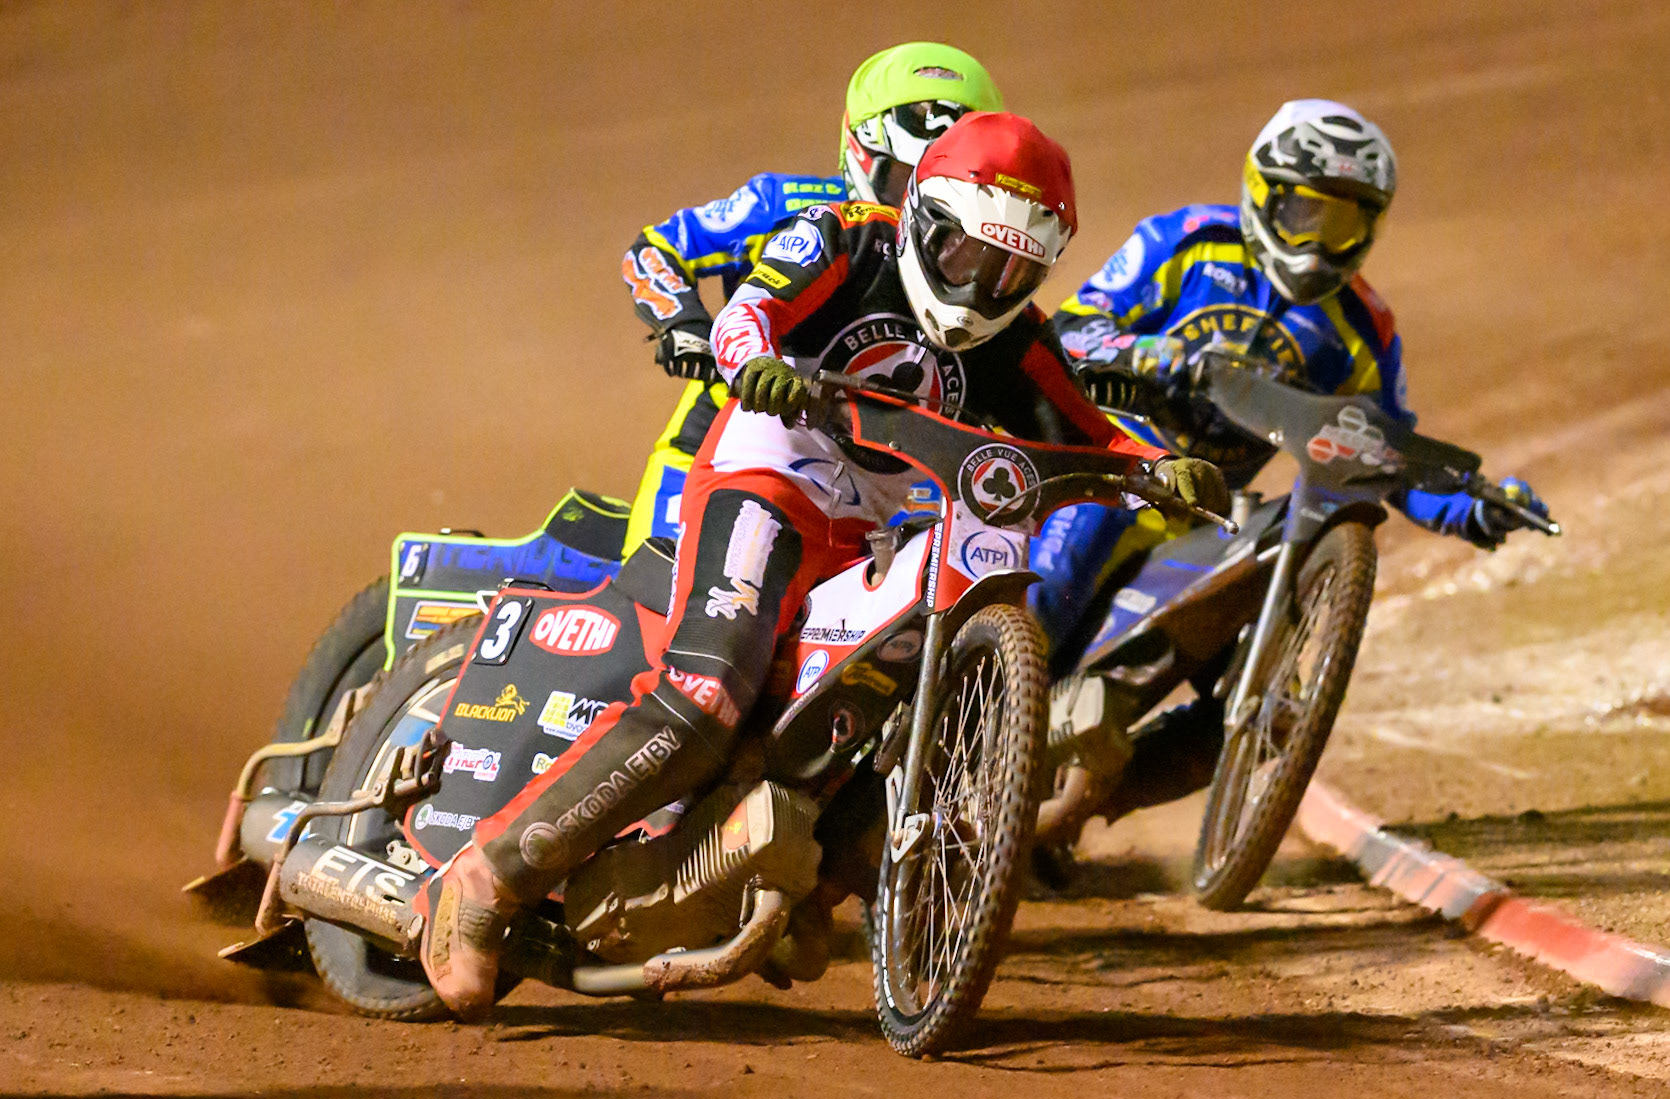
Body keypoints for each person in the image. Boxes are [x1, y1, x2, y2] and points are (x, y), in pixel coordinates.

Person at [418, 111, 1227, 1019]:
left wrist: (1157, 471)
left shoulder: (1020, 340)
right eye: (967, 256)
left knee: (882, 704)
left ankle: (799, 881)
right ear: (924, 218)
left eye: (1015, 270)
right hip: (767, 475)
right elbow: (748, 313)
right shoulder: (843, 237)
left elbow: (1089, 433)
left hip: (880, 528)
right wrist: (756, 361)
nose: (985, 286)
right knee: (711, 693)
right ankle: (489, 875)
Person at [1034, 98, 1549, 829]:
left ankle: (1068, 820)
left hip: (1205, 512)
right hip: (1110, 466)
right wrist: (1148, 353)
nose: (1321, 243)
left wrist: (1471, 505)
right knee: (1051, 582)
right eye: (1309, 214)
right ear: (1263, 194)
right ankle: (965, 734)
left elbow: (1385, 451)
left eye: (1345, 222)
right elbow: (1070, 330)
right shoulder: (1184, 244)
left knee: (1278, 711)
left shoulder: (1362, 330)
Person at [618, 42, 1004, 554]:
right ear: (861, 152)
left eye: (941, 186)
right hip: (731, 431)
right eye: (902, 177)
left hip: (894, 460)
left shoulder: (981, 255)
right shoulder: (781, 205)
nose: (917, 199)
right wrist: (684, 326)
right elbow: (656, 248)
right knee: (663, 585)